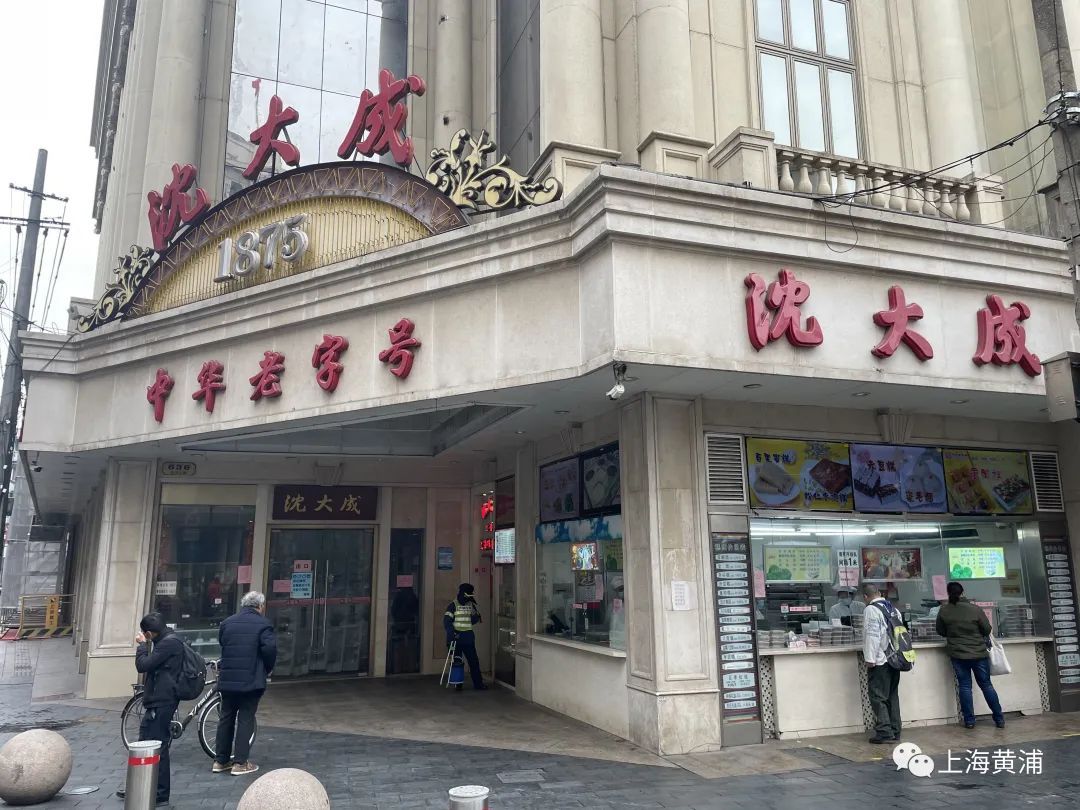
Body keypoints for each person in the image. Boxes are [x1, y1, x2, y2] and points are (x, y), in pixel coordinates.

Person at [117, 613, 183, 806]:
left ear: (148, 633)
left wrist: (141, 646)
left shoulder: (168, 643)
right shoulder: (165, 640)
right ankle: (139, 785)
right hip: (157, 699)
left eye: (145, 634)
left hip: (163, 700)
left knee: (158, 745)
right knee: (146, 741)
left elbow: (143, 665)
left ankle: (160, 793)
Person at [213, 591, 277, 776]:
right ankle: (240, 763)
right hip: (251, 679)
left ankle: (220, 760)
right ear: (261, 606)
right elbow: (270, 650)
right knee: (245, 718)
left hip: (228, 678)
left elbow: (223, 644)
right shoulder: (264, 624)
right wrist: (266, 669)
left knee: (226, 717)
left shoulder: (227, 623)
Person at [936, 581, 1005, 730]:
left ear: (948, 593)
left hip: (958, 654)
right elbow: (987, 629)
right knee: (986, 685)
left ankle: (969, 721)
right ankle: (999, 718)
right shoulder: (975, 609)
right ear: (963, 592)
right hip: (978, 653)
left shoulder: (944, 610)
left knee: (965, 686)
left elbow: (940, 631)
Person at [862, 584, 902, 743]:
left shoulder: (871, 610)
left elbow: (872, 636)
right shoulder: (893, 609)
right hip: (895, 659)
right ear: (879, 593)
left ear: (865, 597)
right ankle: (895, 729)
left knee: (878, 696)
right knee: (892, 695)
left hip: (880, 660)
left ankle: (884, 732)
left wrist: (870, 659)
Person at [443, 582, 487, 691]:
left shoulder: (469, 604)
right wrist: (452, 635)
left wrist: (476, 617)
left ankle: (477, 684)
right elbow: (447, 622)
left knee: (473, 662)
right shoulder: (453, 605)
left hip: (466, 639)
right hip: (458, 639)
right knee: (459, 662)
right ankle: (459, 684)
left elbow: (471, 620)